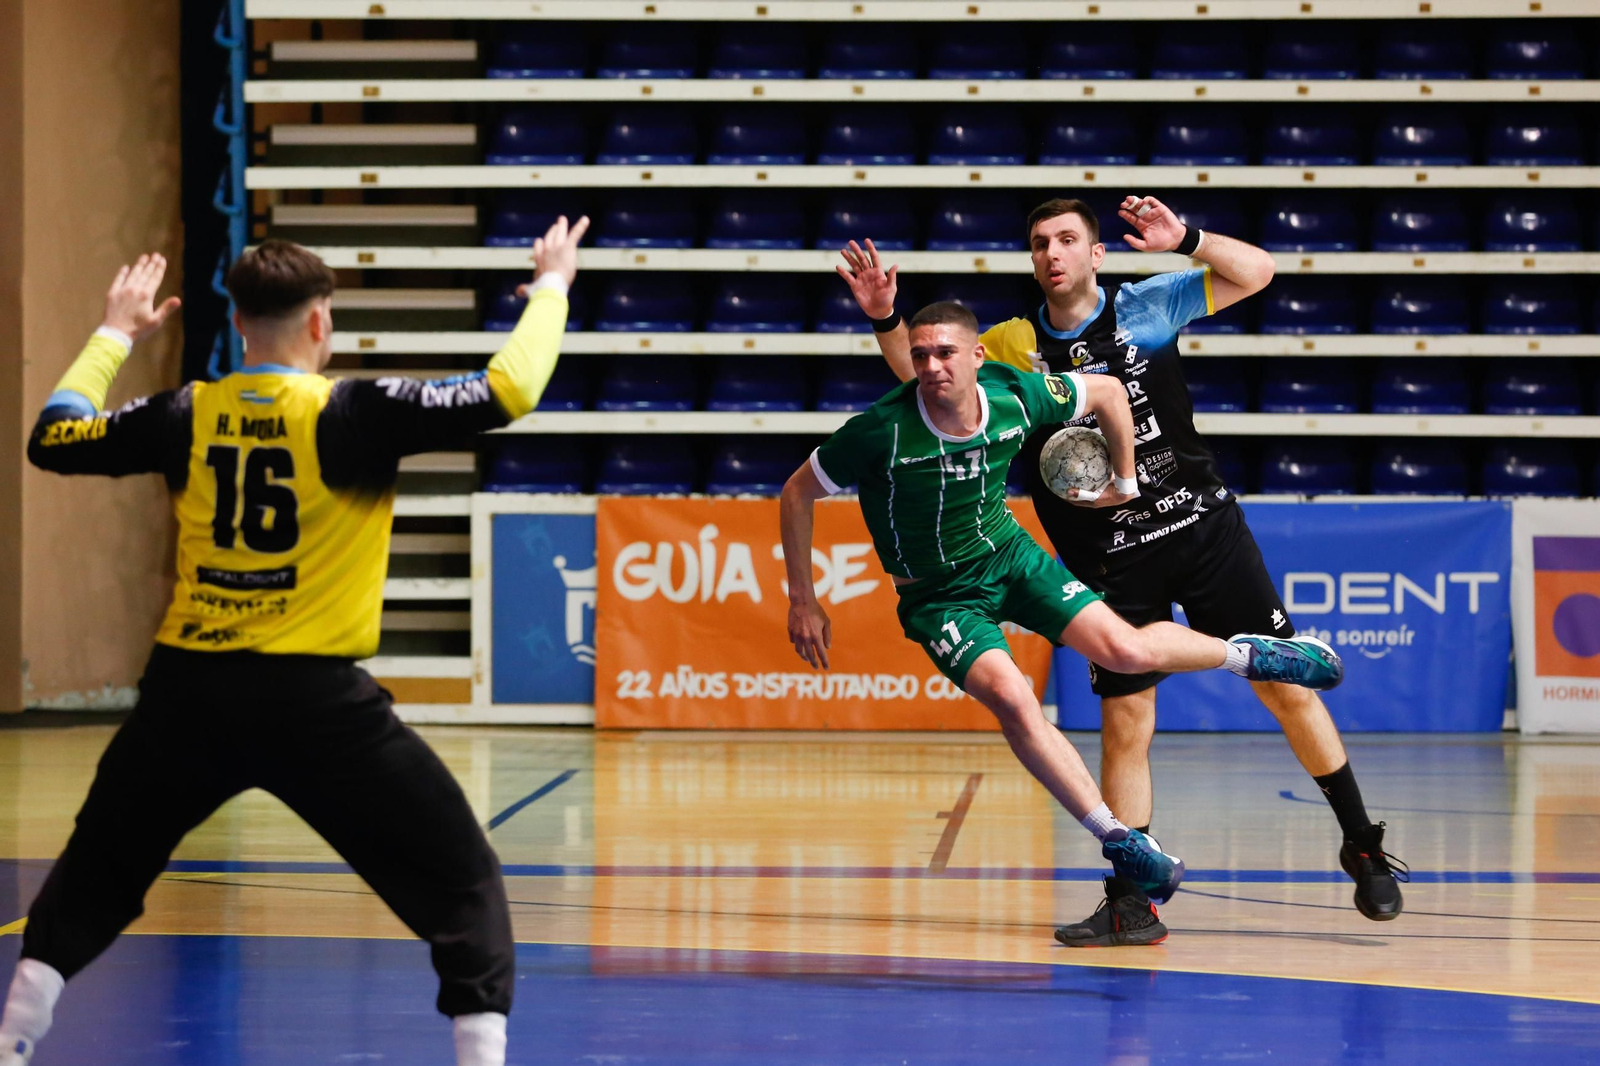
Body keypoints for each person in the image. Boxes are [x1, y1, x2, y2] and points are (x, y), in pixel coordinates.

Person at [0, 214, 590, 1066]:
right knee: (461, 879)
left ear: (238, 325)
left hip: (187, 691)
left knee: (99, 873)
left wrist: (113, 332)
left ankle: (15, 1040)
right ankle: (480, 1056)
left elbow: (54, 439)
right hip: (315, 703)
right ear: (321, 323)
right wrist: (551, 286)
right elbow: (511, 388)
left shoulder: (188, 412)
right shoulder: (354, 411)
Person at [836, 195, 1407, 942]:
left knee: (1284, 688)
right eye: (1040, 242)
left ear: (1096, 254)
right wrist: (886, 319)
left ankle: (1361, 841)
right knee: (1127, 721)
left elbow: (1260, 272)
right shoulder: (1009, 344)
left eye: (1068, 239)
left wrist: (1187, 240)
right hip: (1107, 555)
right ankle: (1135, 902)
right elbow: (926, 385)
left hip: (1202, 529)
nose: (1053, 253)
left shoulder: (1147, 304)